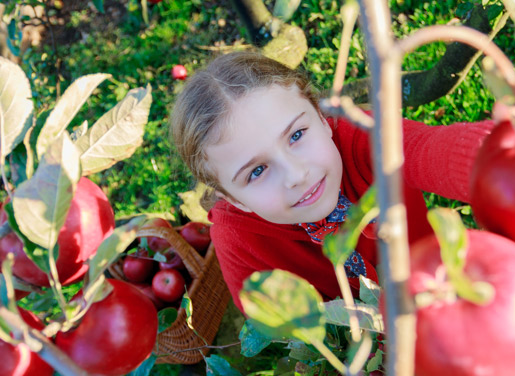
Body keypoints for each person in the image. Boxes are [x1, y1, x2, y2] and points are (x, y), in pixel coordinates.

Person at [170, 51, 494, 313]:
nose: (297, 174)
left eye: (296, 135)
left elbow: (435, 152)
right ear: (232, 198)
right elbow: (268, 315)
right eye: (257, 171)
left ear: (322, 118)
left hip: (441, 278)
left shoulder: (367, 139)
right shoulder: (236, 237)